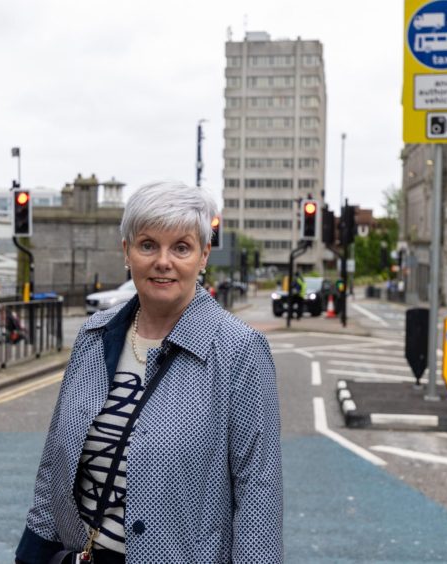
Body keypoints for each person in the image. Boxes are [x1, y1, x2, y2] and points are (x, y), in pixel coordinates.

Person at [15, 181, 282, 564]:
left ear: (204, 255)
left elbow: (259, 493)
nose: (163, 261)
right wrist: (32, 555)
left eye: (181, 247)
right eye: (148, 245)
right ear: (127, 251)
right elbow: (52, 466)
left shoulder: (240, 351)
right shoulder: (94, 336)